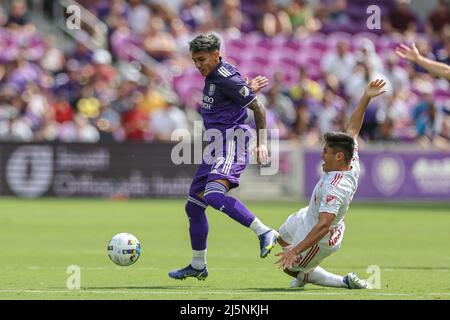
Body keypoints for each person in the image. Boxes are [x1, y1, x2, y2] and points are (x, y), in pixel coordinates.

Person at [169, 32, 278, 281]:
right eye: (195, 60)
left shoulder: (225, 77)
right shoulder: (218, 75)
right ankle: (198, 265)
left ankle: (264, 232)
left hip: (233, 141)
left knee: (214, 195)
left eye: (202, 59)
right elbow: (232, 98)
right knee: (194, 206)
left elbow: (258, 107)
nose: (198, 65)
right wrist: (246, 90)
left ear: (216, 55)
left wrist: (261, 145)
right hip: (216, 146)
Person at [275, 79, 387, 290]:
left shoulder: (336, 187)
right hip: (310, 214)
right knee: (281, 238)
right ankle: (304, 269)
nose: (321, 154)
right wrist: (366, 97)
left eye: (325, 151)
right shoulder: (349, 160)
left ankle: (344, 282)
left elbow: (324, 226)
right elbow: (353, 128)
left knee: (290, 266)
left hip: (323, 236)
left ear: (338, 156)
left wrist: (296, 250)